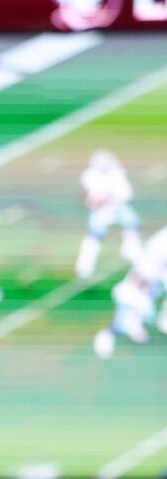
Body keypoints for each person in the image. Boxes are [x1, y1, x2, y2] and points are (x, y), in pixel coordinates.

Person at [93, 225, 167, 359]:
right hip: (135, 293)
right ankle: (110, 336)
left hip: (139, 293)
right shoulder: (152, 258)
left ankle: (112, 335)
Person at [76, 150, 141, 278]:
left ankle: (131, 250)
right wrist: (94, 200)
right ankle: (85, 265)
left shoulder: (116, 174)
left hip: (116, 206)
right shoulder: (89, 176)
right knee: (95, 236)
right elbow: (86, 197)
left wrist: (110, 198)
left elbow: (126, 194)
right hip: (100, 211)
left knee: (132, 224)